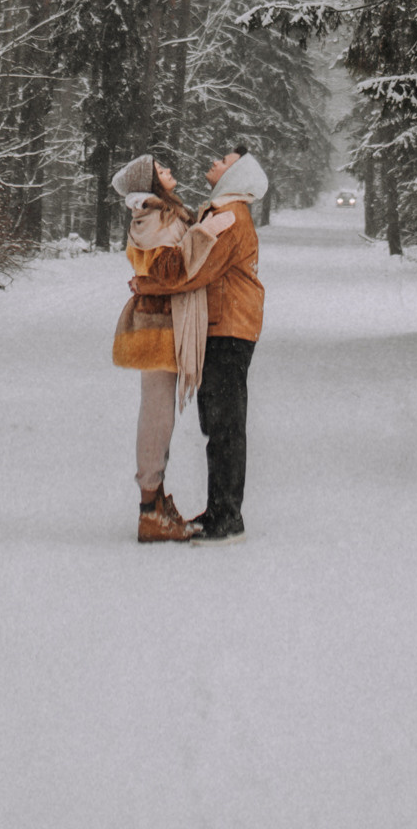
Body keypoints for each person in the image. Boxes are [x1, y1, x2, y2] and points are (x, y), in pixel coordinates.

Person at [130, 140, 267, 544]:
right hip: (224, 327)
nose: (214, 161)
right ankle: (220, 511)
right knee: (218, 422)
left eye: (223, 161)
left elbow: (193, 269)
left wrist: (147, 283)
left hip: (229, 329)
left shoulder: (227, 217)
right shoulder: (221, 213)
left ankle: (227, 519)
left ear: (234, 175)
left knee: (224, 426)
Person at [110, 153, 236, 544]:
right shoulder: (155, 219)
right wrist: (209, 229)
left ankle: (157, 501)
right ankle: (150, 508)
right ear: (150, 184)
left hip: (163, 323)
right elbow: (170, 271)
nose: (170, 173)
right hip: (158, 327)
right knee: (157, 416)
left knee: (159, 415)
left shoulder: (164, 214)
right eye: (161, 171)